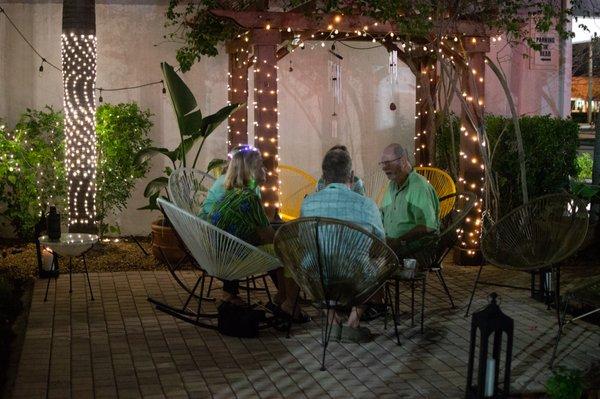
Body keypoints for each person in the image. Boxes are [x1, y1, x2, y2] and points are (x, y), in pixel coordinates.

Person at [208, 146, 308, 322]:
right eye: (261, 165)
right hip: (236, 258)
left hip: (221, 254)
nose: (265, 169)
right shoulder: (249, 198)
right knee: (290, 249)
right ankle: (290, 305)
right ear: (251, 170)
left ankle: (281, 298)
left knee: (283, 246)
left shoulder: (231, 193)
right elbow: (269, 238)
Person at [301, 149, 384, 342]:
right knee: (380, 262)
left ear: (323, 176)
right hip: (357, 275)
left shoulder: (309, 204)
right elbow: (381, 245)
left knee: (312, 260)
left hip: (319, 276)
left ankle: (332, 318)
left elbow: (304, 242)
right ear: (352, 176)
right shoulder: (367, 205)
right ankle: (353, 320)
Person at [379, 143, 440, 252]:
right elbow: (382, 214)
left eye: (387, 162)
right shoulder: (392, 185)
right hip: (390, 247)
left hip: (413, 250)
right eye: (382, 163)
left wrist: (399, 241)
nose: (384, 168)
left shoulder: (419, 187)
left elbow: (428, 227)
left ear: (403, 161)